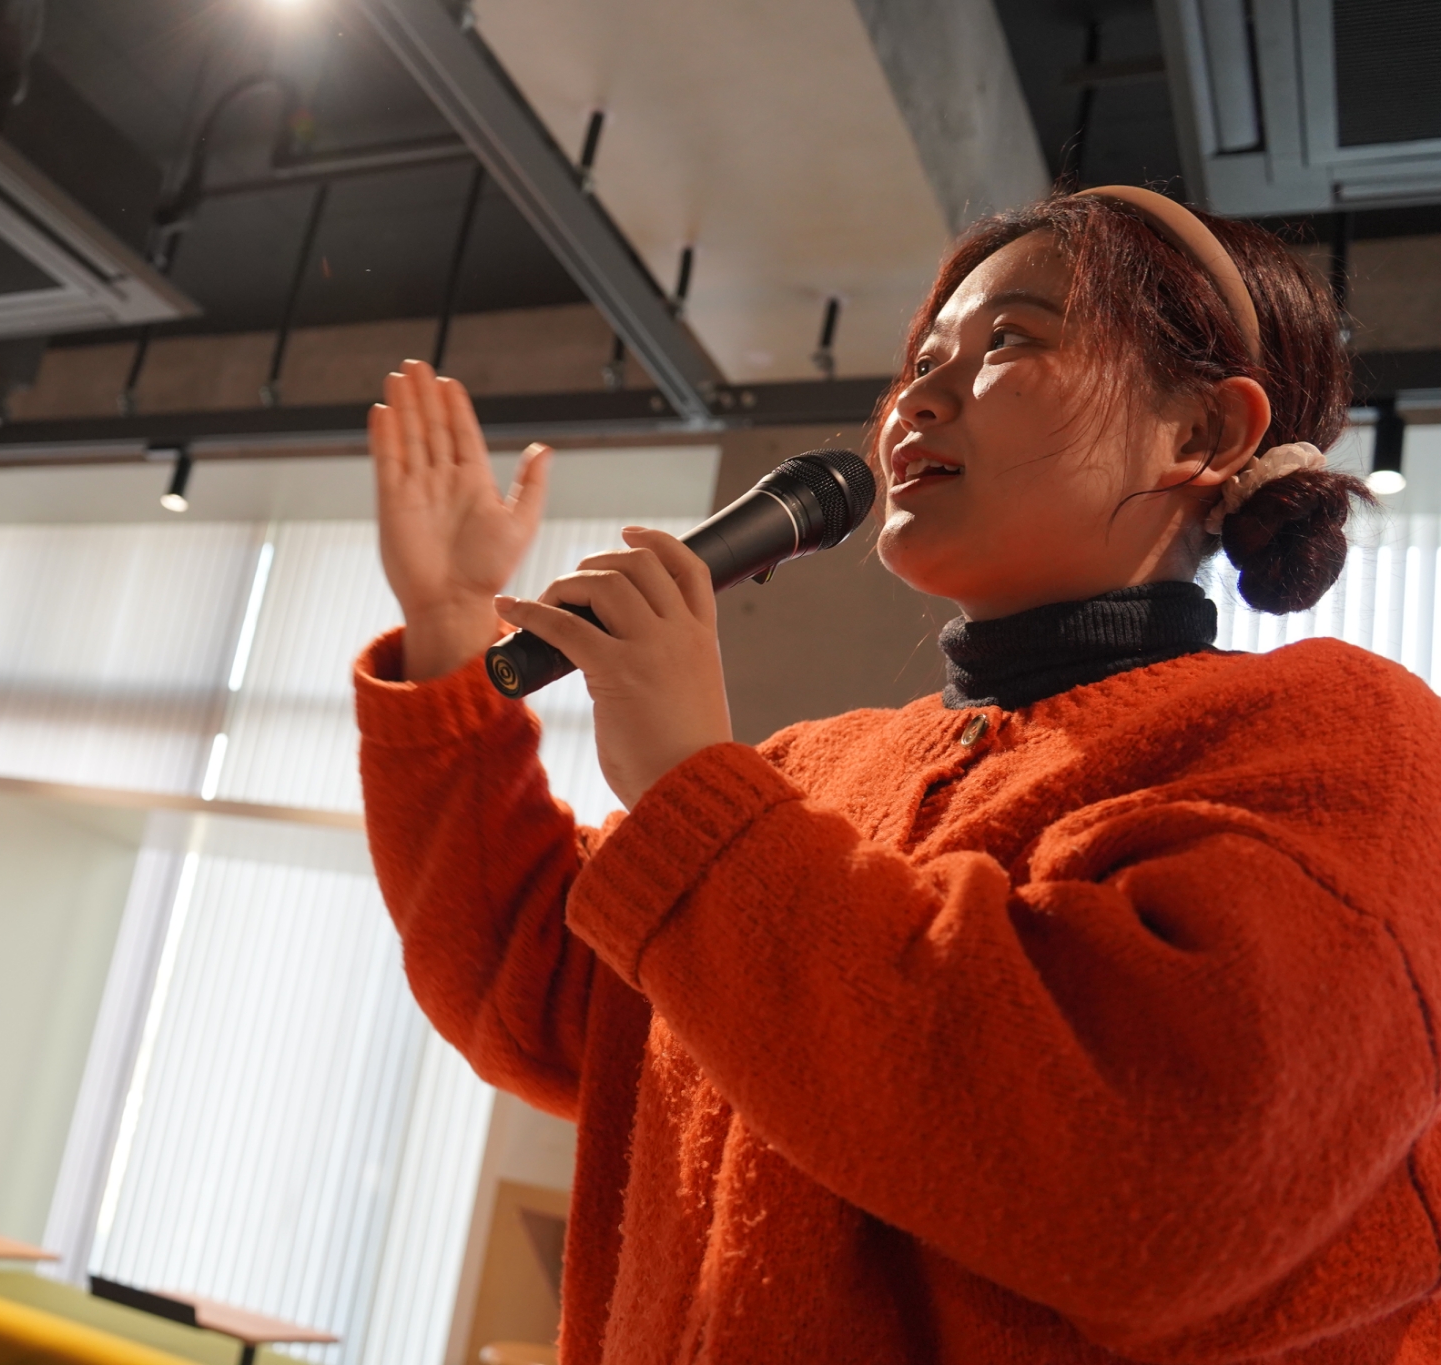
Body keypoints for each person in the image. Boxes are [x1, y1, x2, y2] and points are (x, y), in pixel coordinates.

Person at [354, 187, 1441, 1363]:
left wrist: (688, 797)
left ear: (1200, 435)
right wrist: (450, 624)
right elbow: (534, 990)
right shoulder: (809, 773)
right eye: (921, 360)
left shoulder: (1339, 741)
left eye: (1008, 340)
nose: (914, 398)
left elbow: (1158, 1172)